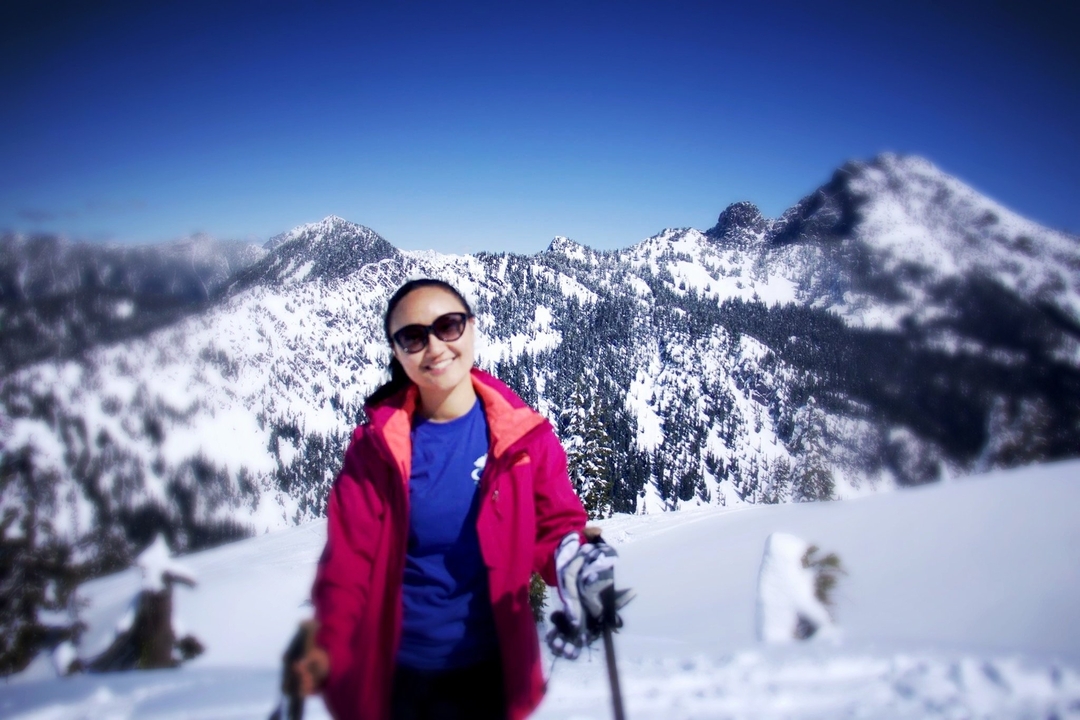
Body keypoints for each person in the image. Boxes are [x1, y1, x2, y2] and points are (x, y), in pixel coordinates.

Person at [291, 278, 618, 720]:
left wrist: (571, 560)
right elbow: (349, 566)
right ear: (397, 352)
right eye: (413, 337)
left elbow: (552, 525)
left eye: (448, 326)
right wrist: (329, 646)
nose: (434, 347)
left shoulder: (524, 438)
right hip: (398, 675)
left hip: (493, 669)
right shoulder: (376, 451)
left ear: (472, 328)